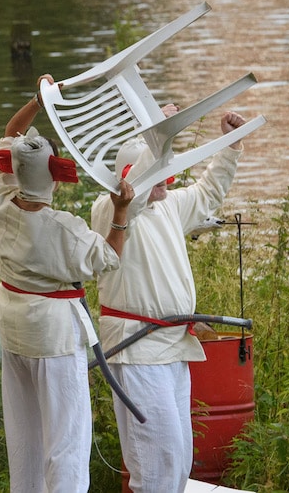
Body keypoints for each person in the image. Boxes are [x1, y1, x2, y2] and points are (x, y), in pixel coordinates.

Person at [91, 107, 250, 493]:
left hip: (173, 347)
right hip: (138, 351)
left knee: (178, 457)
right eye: (157, 174)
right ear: (133, 178)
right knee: (156, 463)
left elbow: (208, 193)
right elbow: (138, 193)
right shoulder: (106, 210)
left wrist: (231, 146)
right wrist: (158, 135)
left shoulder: (168, 205)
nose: (165, 183)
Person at [0, 74, 133, 493]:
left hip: (12, 327)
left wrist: (39, 99)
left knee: (25, 436)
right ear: (56, 174)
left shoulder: (2, 199)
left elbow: (10, 133)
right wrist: (121, 211)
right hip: (52, 336)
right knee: (66, 441)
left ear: (13, 168)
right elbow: (107, 258)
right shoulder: (63, 228)